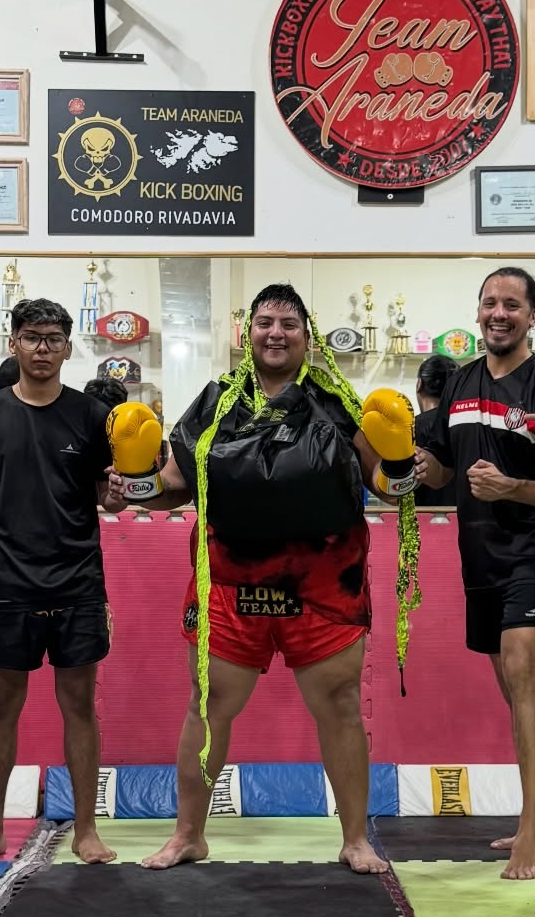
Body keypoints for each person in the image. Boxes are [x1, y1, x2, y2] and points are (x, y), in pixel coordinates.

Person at [117, 283, 420, 875]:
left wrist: (405, 461)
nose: (275, 333)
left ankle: (355, 839)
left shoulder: (338, 403)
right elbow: (173, 487)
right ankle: (188, 835)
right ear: (247, 332)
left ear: (308, 336)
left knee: (340, 706)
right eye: (265, 322)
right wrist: (134, 480)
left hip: (323, 584)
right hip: (229, 583)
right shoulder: (213, 403)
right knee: (207, 705)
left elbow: (388, 487)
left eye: (288, 323)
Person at [415, 267, 535, 880]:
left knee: (522, 672)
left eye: (512, 304)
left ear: (532, 316)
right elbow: (439, 468)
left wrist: (513, 487)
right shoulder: (460, 384)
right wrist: (415, 465)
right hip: (479, 554)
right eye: (490, 303)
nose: (499, 313)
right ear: (478, 311)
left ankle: (534, 827)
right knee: (516, 688)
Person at [0, 299, 127, 868]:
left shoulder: (92, 415)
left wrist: (116, 496)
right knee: (1, 708)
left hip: (77, 580)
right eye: (31, 337)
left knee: (80, 707)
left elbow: (106, 497)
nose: (42, 348)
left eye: (53, 338)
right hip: (8, 580)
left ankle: (86, 830)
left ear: (69, 348)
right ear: (14, 344)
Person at [411, 354, 458, 510]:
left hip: (422, 517)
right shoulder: (464, 424)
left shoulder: (409, 427)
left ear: (419, 384)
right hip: (463, 516)